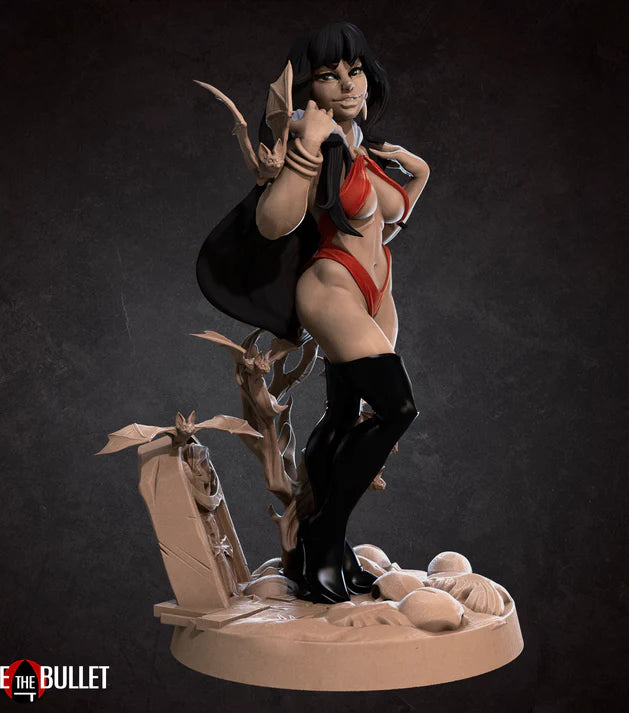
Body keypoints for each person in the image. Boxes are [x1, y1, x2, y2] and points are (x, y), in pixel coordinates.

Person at [197, 22, 430, 603]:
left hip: (377, 290)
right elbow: (273, 221)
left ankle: (318, 552)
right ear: (308, 88)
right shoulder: (316, 141)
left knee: (344, 417)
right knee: (397, 408)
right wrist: (305, 146)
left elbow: (383, 225)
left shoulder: (360, 146)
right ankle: (324, 535)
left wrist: (419, 177)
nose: (348, 84)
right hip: (333, 287)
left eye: (355, 70)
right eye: (329, 75)